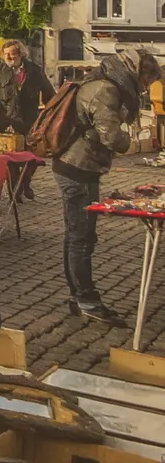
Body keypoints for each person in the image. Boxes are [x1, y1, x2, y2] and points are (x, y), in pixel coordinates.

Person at [57, 49, 160, 325]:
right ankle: (86, 298)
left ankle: (78, 296)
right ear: (138, 71)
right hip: (77, 166)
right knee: (81, 236)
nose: (148, 85)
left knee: (77, 235)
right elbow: (111, 136)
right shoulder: (106, 89)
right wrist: (130, 142)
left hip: (80, 165)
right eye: (148, 79)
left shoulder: (107, 83)